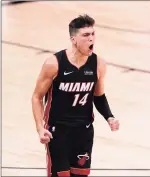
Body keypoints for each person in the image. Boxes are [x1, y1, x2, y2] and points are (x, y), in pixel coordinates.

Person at [31, 14, 120, 177]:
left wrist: (110, 117)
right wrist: (40, 127)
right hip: (58, 131)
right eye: (86, 35)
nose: (91, 39)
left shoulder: (99, 64)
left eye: (93, 34)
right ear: (73, 39)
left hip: (83, 131)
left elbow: (98, 95)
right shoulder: (54, 63)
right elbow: (37, 97)